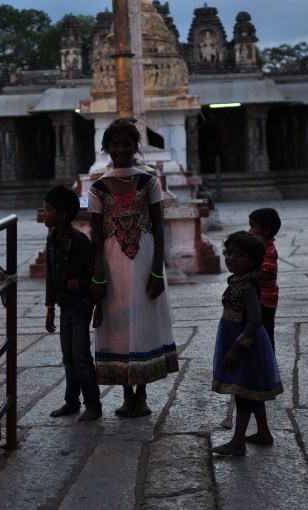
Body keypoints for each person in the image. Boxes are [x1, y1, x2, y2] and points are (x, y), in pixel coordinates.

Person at [88, 118, 178, 418]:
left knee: (143, 318)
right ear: (107, 148)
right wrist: (98, 273)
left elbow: (159, 226)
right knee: (119, 323)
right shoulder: (98, 188)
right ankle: (126, 393)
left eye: (127, 144)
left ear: (134, 147)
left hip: (144, 259)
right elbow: (97, 234)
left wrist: (156, 270)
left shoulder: (148, 182)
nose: (121, 149)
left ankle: (142, 394)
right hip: (112, 262)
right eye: (115, 144)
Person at [211, 231, 283, 456]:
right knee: (251, 389)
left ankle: (238, 441)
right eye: (228, 253)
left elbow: (255, 320)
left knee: (243, 393)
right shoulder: (237, 280)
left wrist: (237, 347)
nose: (231, 258)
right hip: (234, 335)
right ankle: (263, 432)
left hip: (245, 342)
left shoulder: (248, 286)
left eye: (239, 255)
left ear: (252, 260)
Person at [43, 185, 102, 422]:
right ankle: (71, 400)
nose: (44, 214)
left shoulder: (78, 240)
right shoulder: (51, 239)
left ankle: (93, 403)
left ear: (62, 215)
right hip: (64, 305)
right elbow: (50, 276)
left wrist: (98, 305)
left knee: (80, 355)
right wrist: (49, 309)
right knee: (67, 355)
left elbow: (94, 274)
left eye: (48, 210)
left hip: (81, 304)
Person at [248, 208, 281, 350]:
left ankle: (268, 363)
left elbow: (268, 274)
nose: (250, 231)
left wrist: (248, 275)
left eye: (253, 226)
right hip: (259, 298)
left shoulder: (269, 250)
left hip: (265, 300)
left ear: (266, 230)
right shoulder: (260, 247)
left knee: (265, 333)